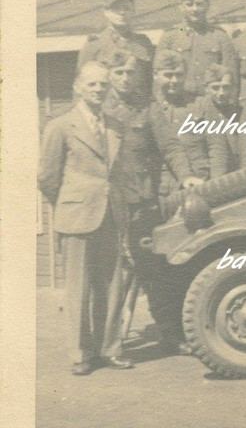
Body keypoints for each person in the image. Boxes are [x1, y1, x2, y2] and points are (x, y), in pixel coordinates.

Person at [38, 62, 132, 374]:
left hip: (110, 215)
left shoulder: (116, 126)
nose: (98, 89)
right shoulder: (60, 126)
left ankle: (109, 348)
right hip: (76, 215)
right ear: (78, 87)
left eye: (103, 84)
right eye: (92, 84)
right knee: (79, 288)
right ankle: (81, 354)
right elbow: (47, 177)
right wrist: (69, 203)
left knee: (112, 285)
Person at [102, 50, 193, 357]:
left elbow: (171, 147)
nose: (125, 78)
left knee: (155, 271)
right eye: (119, 72)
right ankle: (101, 341)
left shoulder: (148, 107)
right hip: (108, 204)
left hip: (142, 203)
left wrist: (186, 176)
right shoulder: (99, 106)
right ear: (109, 75)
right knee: (106, 273)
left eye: (130, 72)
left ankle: (170, 334)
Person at [149, 50, 222, 202]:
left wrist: (216, 185)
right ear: (156, 75)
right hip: (164, 189)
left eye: (179, 75)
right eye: (168, 75)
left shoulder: (201, 104)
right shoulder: (148, 108)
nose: (174, 80)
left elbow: (217, 147)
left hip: (201, 183)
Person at [157, 0, 238, 98]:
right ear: (181, 7)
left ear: (207, 5)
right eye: (189, 4)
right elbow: (158, 80)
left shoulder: (220, 36)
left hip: (210, 102)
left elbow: (231, 77)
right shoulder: (169, 37)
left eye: (199, 4)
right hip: (178, 102)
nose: (194, 9)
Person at [78, 0, 155, 100]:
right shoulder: (94, 46)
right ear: (106, 12)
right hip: (105, 106)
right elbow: (81, 85)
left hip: (138, 106)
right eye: (116, 8)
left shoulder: (143, 43)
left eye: (126, 8)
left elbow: (151, 81)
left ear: (133, 11)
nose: (122, 12)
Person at [192, 64, 242, 174]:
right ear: (206, 88)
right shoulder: (198, 112)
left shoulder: (239, 113)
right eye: (215, 88)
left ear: (233, 88)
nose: (221, 93)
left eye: (226, 87)